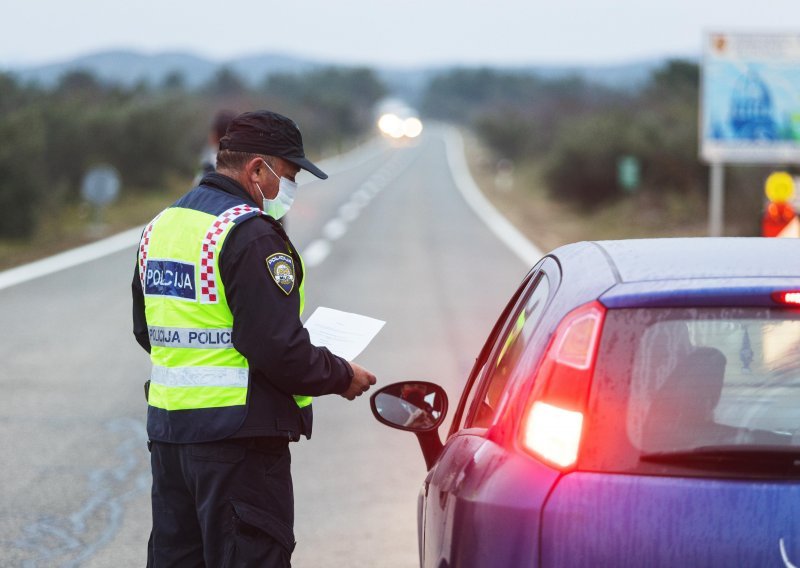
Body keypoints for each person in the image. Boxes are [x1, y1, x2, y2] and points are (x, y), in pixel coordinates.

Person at [131, 109, 377, 567]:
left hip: (170, 439)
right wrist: (341, 375)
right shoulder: (248, 234)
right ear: (257, 169)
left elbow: (147, 331)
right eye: (288, 175)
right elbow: (278, 349)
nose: (289, 188)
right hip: (237, 446)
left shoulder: (161, 226)